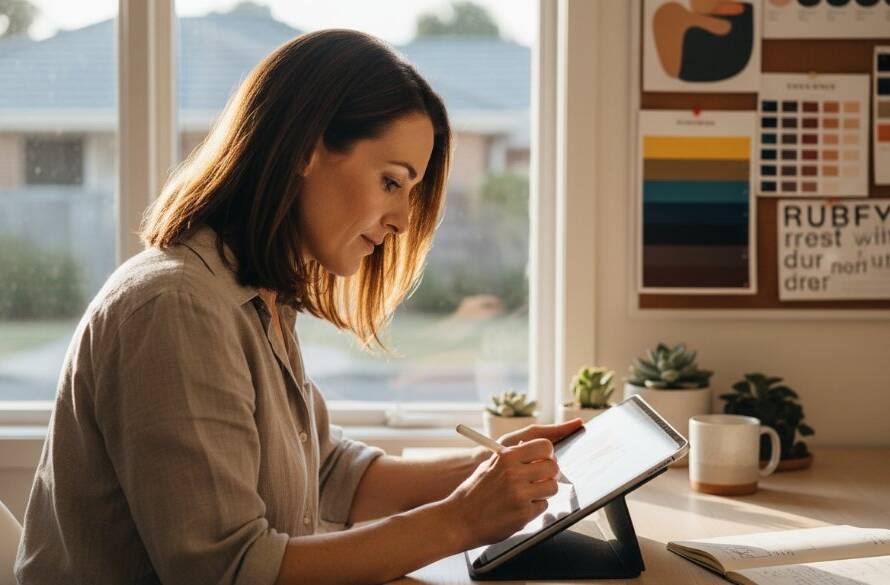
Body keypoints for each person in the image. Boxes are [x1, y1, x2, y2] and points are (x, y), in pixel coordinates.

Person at [14, 29, 583, 585]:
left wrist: (495, 470)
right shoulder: (178, 310)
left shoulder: (255, 295)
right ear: (305, 149)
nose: (404, 220)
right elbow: (228, 570)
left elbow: (329, 472)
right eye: (391, 181)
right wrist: (460, 520)